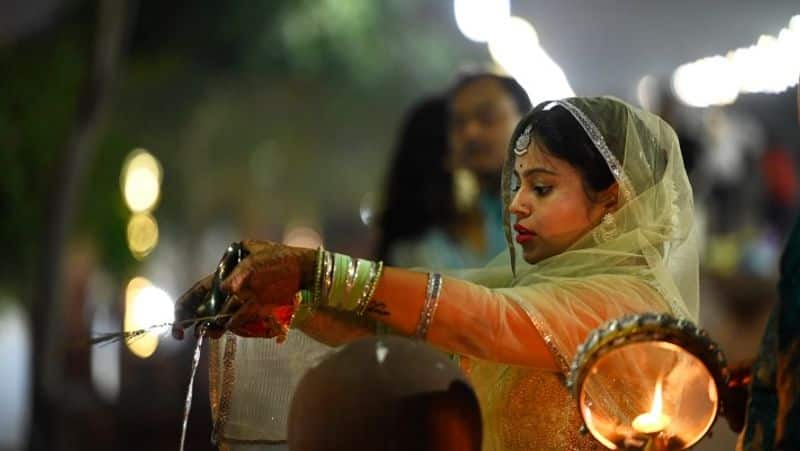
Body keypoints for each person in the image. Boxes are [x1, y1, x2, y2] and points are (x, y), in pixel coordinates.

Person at [175, 96, 699, 450]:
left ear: (611, 200)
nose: (516, 205)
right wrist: (290, 303)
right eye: (517, 185)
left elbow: (481, 322)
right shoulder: (534, 286)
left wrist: (314, 268)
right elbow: (404, 332)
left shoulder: (628, 302)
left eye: (540, 188)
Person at [377, 73, 531, 269]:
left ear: (527, 121)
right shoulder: (426, 248)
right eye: (459, 123)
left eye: (486, 117)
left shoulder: (553, 206)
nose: (471, 132)